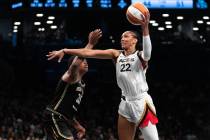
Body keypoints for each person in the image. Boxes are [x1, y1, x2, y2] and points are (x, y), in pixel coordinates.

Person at [46, 12, 159, 140]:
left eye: (126, 36)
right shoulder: (116, 54)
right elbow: (88, 53)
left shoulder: (140, 56)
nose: (122, 39)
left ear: (135, 40)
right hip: (125, 103)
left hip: (141, 101)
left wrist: (145, 28)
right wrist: (65, 50)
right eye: (121, 37)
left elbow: (148, 53)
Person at [43, 29, 102, 140]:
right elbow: (75, 66)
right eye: (82, 60)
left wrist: (78, 126)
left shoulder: (82, 84)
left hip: (61, 118)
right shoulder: (71, 77)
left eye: (86, 60)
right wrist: (90, 44)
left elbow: (68, 113)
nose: (85, 62)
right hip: (54, 115)